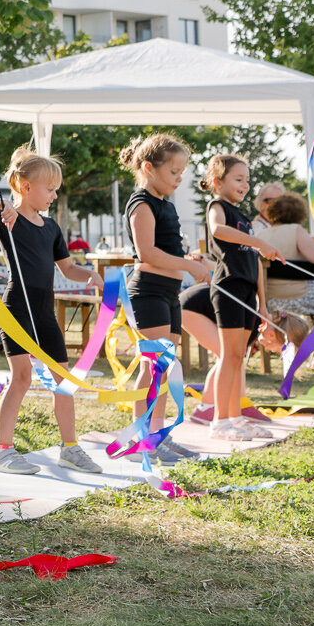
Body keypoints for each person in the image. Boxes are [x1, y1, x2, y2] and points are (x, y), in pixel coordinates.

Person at [0, 149, 106, 474]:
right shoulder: (7, 218)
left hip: (44, 310)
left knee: (64, 381)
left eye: (56, 189)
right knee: (22, 378)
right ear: (25, 186)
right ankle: (2, 450)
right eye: (49, 188)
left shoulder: (52, 227)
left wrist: (90, 274)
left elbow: (67, 269)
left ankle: (70, 448)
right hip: (16, 308)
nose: (54, 195)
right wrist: (1, 204)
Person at [119, 133, 213, 464]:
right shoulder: (141, 203)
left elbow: (167, 248)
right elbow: (146, 253)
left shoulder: (165, 204)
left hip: (169, 293)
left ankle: (156, 436)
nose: (180, 178)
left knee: (165, 367)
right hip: (149, 292)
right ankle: (139, 439)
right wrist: (186, 264)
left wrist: (192, 259)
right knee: (154, 368)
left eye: (181, 171)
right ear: (148, 167)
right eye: (174, 171)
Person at [178, 155, 284, 439]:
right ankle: (220, 422)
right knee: (228, 357)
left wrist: (264, 305)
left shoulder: (244, 219)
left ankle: (234, 419)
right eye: (238, 179)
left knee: (238, 358)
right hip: (229, 289)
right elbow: (217, 230)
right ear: (217, 182)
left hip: (248, 292)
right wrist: (259, 241)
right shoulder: (218, 207)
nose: (245, 185)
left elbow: (257, 266)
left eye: (247, 180)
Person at [257, 192, 314, 369]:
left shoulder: (262, 235)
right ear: (299, 214)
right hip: (301, 297)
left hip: (269, 301)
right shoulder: (296, 231)